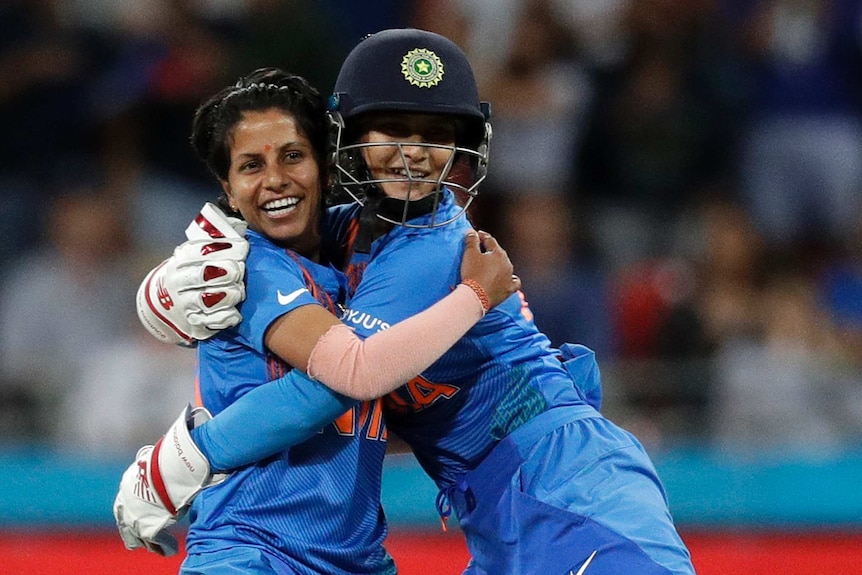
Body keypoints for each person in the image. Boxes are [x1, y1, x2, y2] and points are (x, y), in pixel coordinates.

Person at [122, 29, 696, 574]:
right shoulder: (350, 234)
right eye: (392, 129)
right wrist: (161, 289)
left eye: (434, 134)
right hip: (503, 502)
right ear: (346, 140)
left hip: (568, 486)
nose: (414, 152)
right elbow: (244, 260)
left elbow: (351, 374)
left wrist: (180, 462)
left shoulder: (433, 245)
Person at [112, 67, 519, 574]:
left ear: (326, 166)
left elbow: (418, 217)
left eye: (292, 156)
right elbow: (348, 376)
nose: (275, 180)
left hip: (356, 558)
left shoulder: (361, 247)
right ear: (228, 188)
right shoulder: (242, 269)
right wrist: (476, 295)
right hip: (252, 553)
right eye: (250, 166)